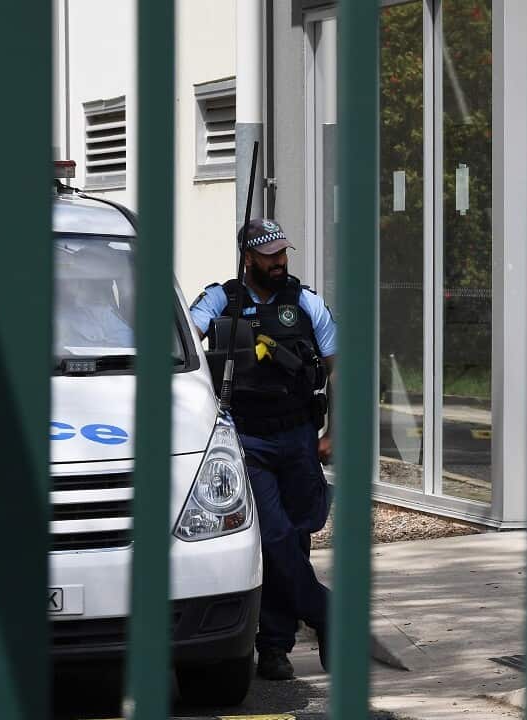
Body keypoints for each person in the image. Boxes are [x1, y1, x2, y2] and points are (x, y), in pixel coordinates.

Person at [190, 218, 336, 681]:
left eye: (283, 253)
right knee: (272, 536)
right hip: (245, 439)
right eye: (270, 255)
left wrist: (335, 433)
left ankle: (274, 647)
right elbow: (184, 346)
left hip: (298, 437)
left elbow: (340, 366)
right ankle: (326, 613)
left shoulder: (306, 302)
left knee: (294, 540)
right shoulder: (219, 300)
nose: (280, 262)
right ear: (248, 257)